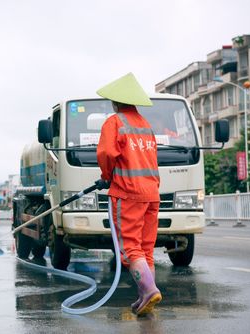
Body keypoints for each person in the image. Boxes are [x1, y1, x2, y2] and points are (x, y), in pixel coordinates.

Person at [96, 72, 162, 316]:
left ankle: (149, 291)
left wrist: (106, 177)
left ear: (116, 102)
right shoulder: (145, 126)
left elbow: (106, 155)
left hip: (129, 193)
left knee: (131, 248)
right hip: (152, 193)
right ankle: (145, 295)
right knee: (146, 248)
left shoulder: (115, 122)